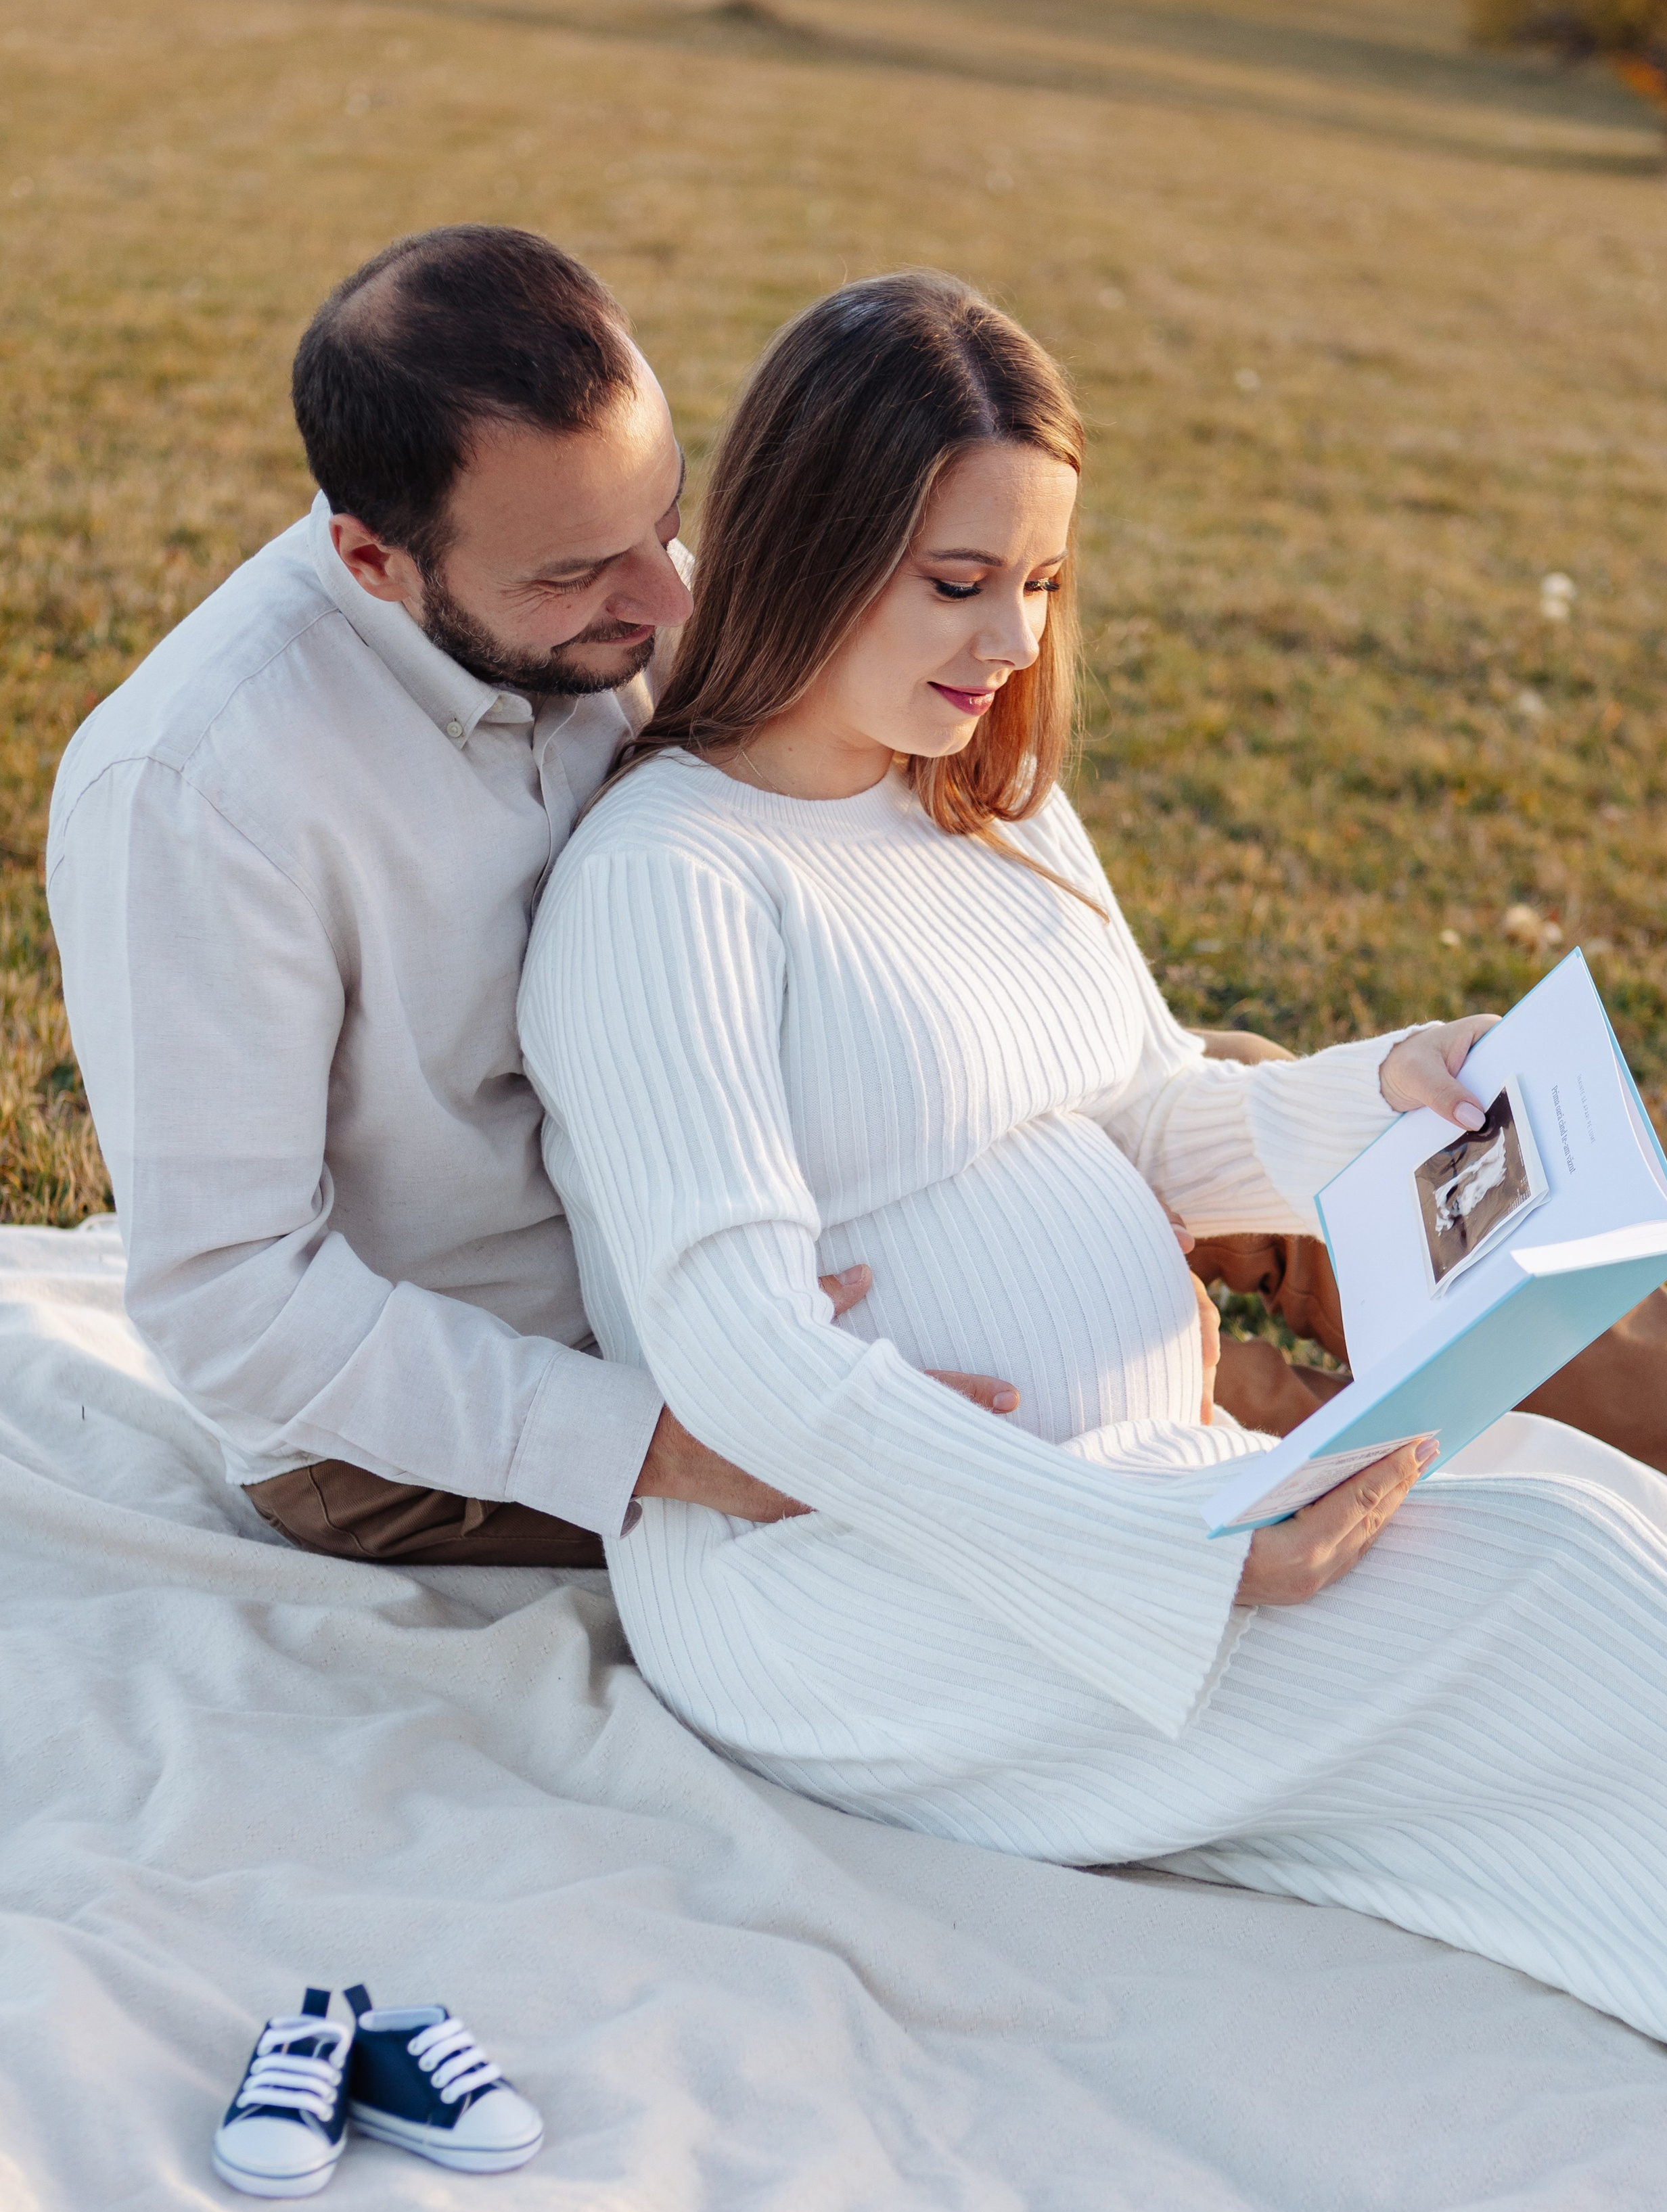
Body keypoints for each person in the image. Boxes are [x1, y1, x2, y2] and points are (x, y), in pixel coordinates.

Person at [520, 271, 1667, 2072]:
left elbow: (1148, 1109)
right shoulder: (675, 881)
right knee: (1561, 1581)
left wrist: (1378, 1092)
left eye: (1043, 582)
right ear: (809, 545)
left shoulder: (976, 794)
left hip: (1139, 1488)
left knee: (1608, 1512)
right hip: (850, 1587)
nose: (1010, 639)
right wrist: (1157, 1549)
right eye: (959, 581)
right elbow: (746, 1357)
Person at [46, 225, 1013, 1570]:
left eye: (666, 518)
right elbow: (229, 1302)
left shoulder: (604, 584)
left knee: (1207, 1117)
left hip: (729, 1227)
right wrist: (672, 1442)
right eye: (573, 574)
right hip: (464, 1415)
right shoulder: (197, 793)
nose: (670, 598)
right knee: (1006, 1490)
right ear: (373, 559)